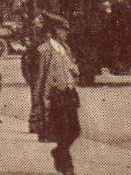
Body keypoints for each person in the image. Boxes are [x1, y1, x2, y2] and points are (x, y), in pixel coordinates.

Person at [36, 13, 81, 175]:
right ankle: (67, 166)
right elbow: (41, 77)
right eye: (64, 30)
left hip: (69, 94)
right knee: (63, 131)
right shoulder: (45, 50)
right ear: (55, 30)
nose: (66, 33)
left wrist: (74, 70)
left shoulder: (64, 47)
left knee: (75, 130)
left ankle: (58, 153)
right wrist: (42, 99)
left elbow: (71, 66)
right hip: (56, 96)